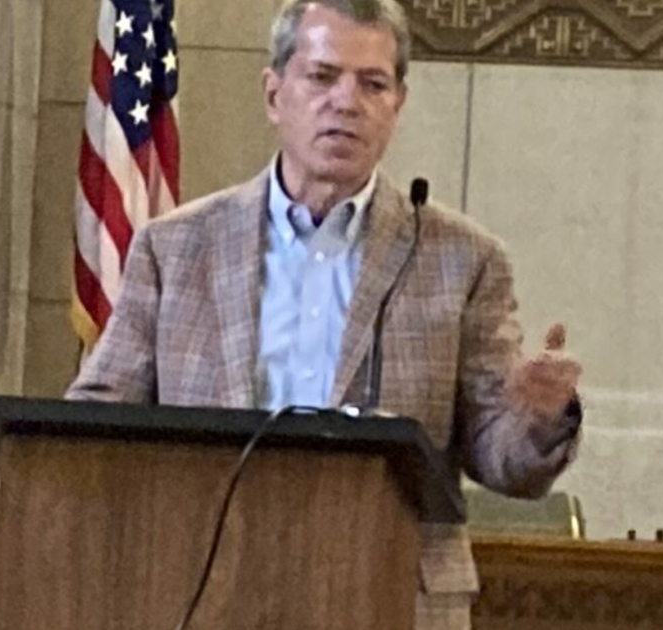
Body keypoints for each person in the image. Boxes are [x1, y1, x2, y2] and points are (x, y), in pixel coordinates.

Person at [67, 1, 583, 627]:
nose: (346, 102)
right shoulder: (175, 248)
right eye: (322, 76)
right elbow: (100, 411)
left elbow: (500, 456)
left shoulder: (463, 259)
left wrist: (539, 420)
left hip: (391, 593)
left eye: (372, 84)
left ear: (397, 103)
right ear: (273, 94)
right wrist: (36, 459)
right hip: (209, 589)